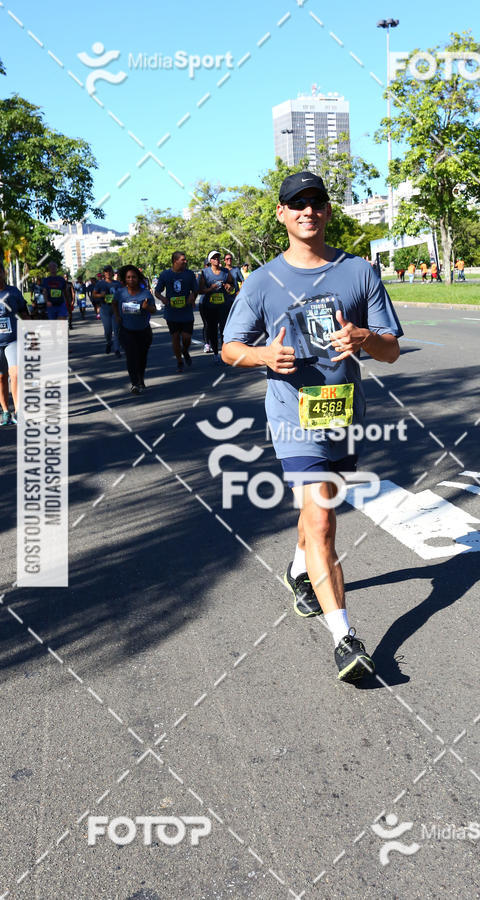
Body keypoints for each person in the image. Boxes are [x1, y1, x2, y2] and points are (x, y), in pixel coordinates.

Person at [222, 171, 403, 684]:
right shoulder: (261, 281)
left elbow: (390, 352)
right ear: (281, 213)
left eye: (316, 202)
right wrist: (263, 355)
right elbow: (229, 349)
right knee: (321, 518)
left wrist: (365, 337)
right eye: (296, 203)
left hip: (343, 412)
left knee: (323, 511)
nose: (307, 210)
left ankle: (298, 569)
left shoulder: (359, 272)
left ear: (328, 210)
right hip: (291, 416)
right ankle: (344, 638)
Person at [113, 265, 156, 394]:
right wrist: (117, 316)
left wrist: (147, 307)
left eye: (134, 277)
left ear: (138, 278)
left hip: (143, 330)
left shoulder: (145, 293)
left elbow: (153, 310)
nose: (131, 279)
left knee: (142, 357)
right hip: (127, 330)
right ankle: (134, 383)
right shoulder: (121, 293)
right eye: (128, 277)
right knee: (131, 356)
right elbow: (114, 303)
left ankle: (141, 378)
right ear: (125, 279)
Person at [154, 251, 197, 373]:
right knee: (175, 337)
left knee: (186, 337)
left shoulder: (189, 274)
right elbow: (157, 291)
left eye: (185, 259)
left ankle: (185, 350)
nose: (185, 261)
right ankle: (179, 361)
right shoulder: (165, 275)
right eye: (183, 260)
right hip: (171, 312)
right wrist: (163, 299)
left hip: (186, 311)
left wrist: (192, 296)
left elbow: (195, 290)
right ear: (175, 261)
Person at [0, 263, 30, 425]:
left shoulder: (13, 292)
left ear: (3, 273)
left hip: (13, 339)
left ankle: (18, 411)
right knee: (1, 377)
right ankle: (5, 411)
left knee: (16, 374)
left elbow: (24, 312)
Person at [199, 251, 234, 364]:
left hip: (223, 305)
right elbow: (200, 290)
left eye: (218, 257)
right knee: (212, 330)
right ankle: (215, 353)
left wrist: (229, 287)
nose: (217, 259)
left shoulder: (225, 272)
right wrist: (211, 288)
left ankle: (225, 353)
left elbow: (231, 284)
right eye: (214, 258)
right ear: (210, 261)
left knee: (224, 329)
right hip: (209, 306)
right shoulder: (205, 273)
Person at [93, 266, 121, 356]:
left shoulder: (118, 284)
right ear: (104, 273)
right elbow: (94, 295)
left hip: (116, 309)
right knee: (108, 330)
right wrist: (101, 295)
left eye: (109, 271)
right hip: (105, 309)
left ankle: (117, 349)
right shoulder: (100, 284)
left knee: (116, 330)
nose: (108, 273)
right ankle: (109, 342)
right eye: (106, 271)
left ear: (113, 273)